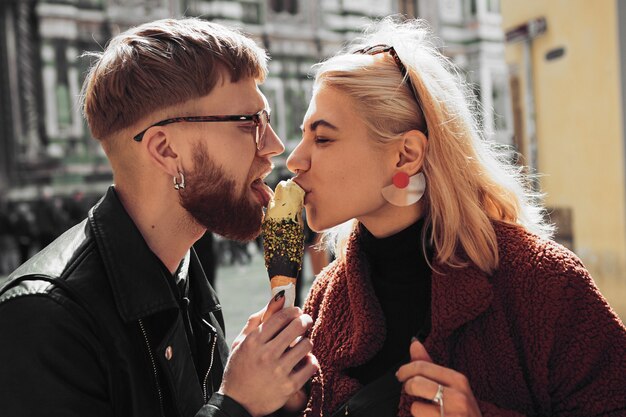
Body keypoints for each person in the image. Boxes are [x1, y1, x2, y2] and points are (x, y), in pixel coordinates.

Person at [285, 17, 626, 417]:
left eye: (322, 138)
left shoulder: (543, 280)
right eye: (304, 134)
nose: (295, 159)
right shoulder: (327, 295)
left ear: (405, 155)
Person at [0, 18, 318, 417]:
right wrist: (236, 404)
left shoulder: (185, 275)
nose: (274, 146)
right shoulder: (44, 318)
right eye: (248, 123)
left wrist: (276, 404)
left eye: (266, 120)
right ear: (166, 150)